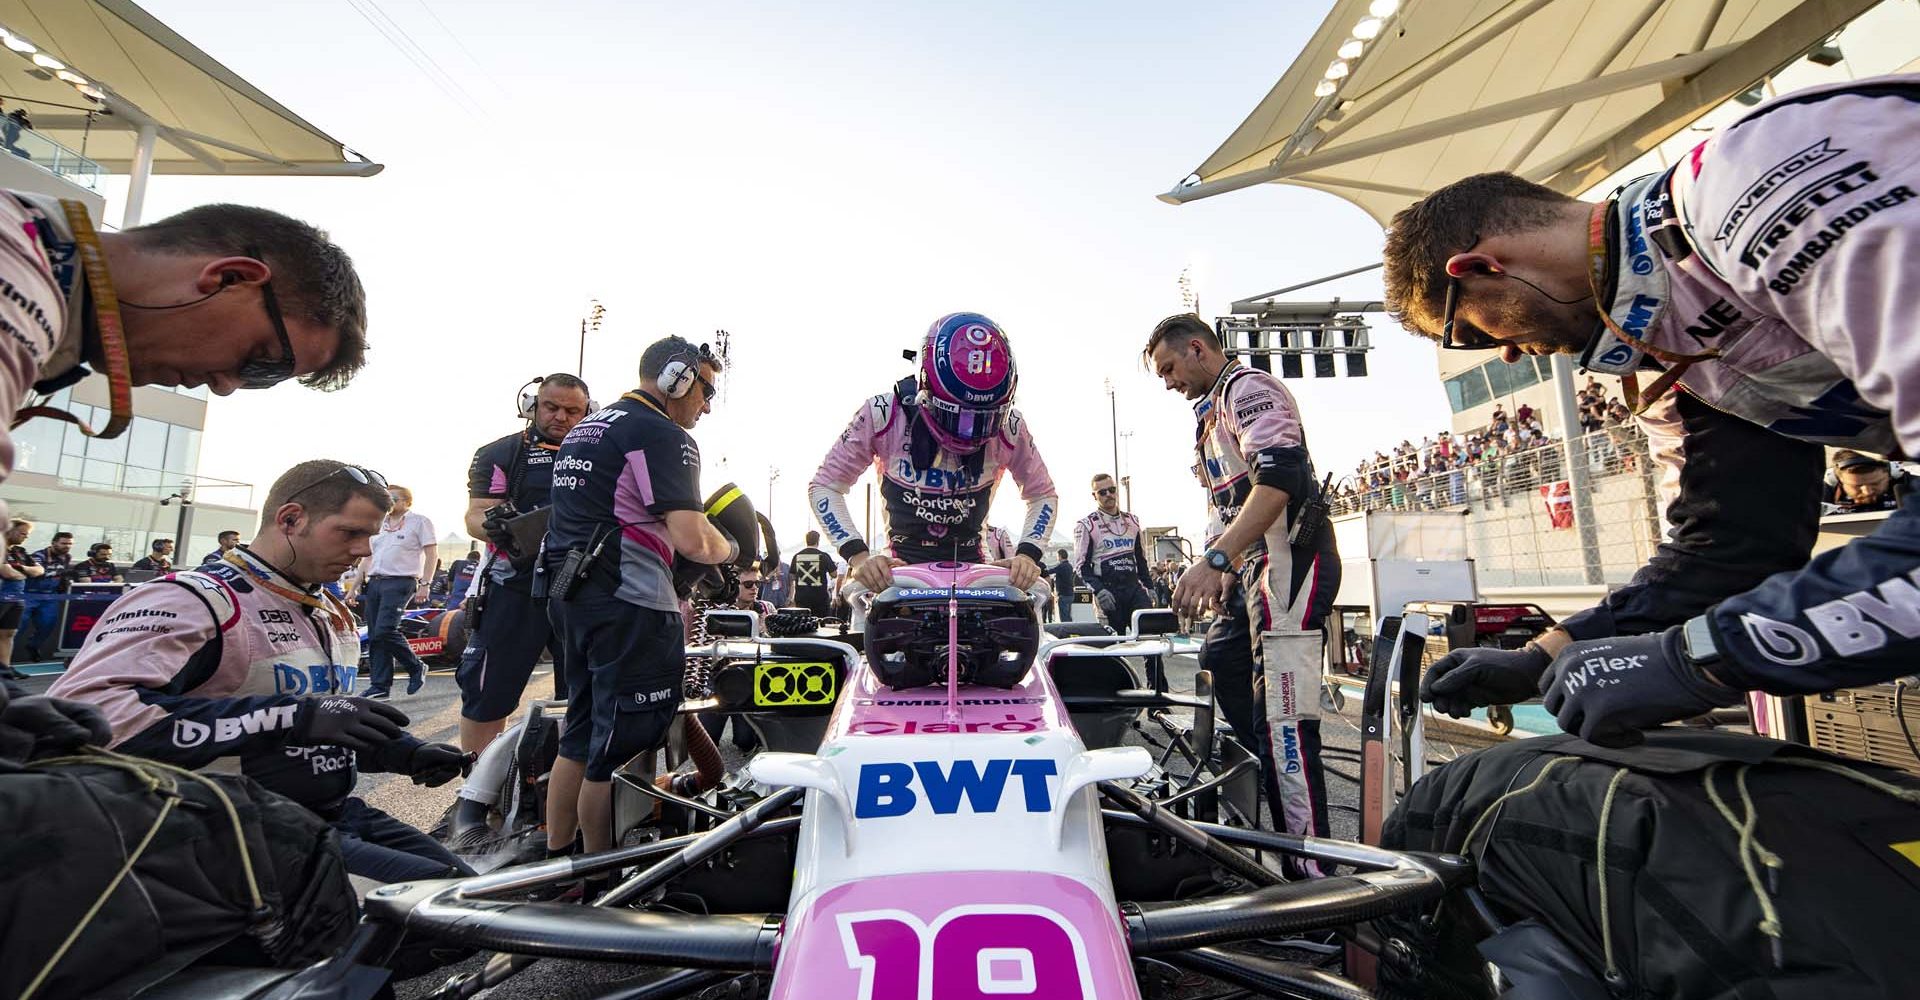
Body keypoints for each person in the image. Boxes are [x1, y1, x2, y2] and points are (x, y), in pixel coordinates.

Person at [1388, 75, 1920, 746]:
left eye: (1469, 336)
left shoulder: (1753, 186)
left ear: (1478, 267)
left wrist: (1703, 657)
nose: (1512, 357)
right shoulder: (1669, 354)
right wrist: (1544, 656)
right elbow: (1729, 549)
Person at [48, 459, 472, 883]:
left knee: (477, 898)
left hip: (327, 814)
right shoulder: (193, 600)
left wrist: (404, 753)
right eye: (350, 533)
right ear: (290, 519)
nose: (365, 551)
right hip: (222, 826)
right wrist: (290, 716)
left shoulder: (326, 608)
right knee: (439, 916)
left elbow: (315, 731)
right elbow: (92, 717)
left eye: (371, 536)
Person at [0, 200, 368, 529]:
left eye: (262, 380)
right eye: (262, 362)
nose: (226, 386)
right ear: (229, 277)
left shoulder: (38, 252)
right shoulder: (16, 276)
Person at [1145, 313, 1341, 869]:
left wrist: (1215, 560)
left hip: (1290, 566)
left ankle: (1312, 877)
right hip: (1254, 572)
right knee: (1221, 657)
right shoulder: (1207, 420)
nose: (1167, 383)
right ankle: (1276, 785)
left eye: (1168, 368)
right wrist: (1228, 573)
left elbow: (1279, 480)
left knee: (1283, 722)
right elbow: (1230, 506)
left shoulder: (1248, 388)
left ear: (1198, 350)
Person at [541, 336, 734, 868]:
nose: (707, 404)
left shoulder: (588, 427)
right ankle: (602, 874)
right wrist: (732, 547)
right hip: (629, 598)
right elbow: (694, 539)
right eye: (706, 390)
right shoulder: (661, 432)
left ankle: (560, 861)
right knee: (616, 748)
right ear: (679, 378)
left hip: (571, 594)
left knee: (578, 734)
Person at [809, 312, 1059, 599]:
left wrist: (1027, 555)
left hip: (975, 572)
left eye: (986, 418)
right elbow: (826, 485)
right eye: (960, 417)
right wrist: (859, 557)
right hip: (899, 573)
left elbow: (1042, 494)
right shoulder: (883, 413)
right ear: (925, 392)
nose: (970, 431)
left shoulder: (1012, 426)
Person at [456, 373, 592, 754]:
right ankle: (476, 788)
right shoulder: (499, 453)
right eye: (551, 407)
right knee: (487, 691)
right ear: (532, 406)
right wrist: (497, 527)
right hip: (513, 587)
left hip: (581, 589)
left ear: (587, 413)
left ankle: (566, 792)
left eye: (572, 410)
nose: (561, 417)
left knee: (583, 697)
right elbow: (474, 515)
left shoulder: (603, 456)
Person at [347, 485, 437, 699]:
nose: (389, 502)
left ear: (407, 501)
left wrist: (425, 583)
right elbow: (368, 558)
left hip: (400, 581)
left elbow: (432, 553)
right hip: (375, 581)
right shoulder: (380, 526)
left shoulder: (419, 521)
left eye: (393, 498)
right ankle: (380, 686)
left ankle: (416, 666)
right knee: (376, 635)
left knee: (386, 630)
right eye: (385, 498)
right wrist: (354, 587)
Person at [696, 563, 774, 752]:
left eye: (757, 584)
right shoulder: (718, 612)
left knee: (745, 742)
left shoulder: (766, 608)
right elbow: (703, 652)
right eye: (748, 584)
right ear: (733, 586)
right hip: (719, 679)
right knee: (705, 742)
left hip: (750, 681)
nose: (754, 588)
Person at [1073, 473, 1152, 633]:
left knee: (1150, 638)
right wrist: (1099, 590)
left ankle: (1153, 659)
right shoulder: (1087, 525)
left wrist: (1149, 587)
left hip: (1134, 588)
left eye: (1112, 490)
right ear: (1094, 496)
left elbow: (1141, 559)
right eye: (1102, 492)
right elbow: (1081, 567)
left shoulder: (1133, 521)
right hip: (1108, 591)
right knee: (1115, 644)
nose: (1108, 494)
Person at [17, 530, 72, 661]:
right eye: (63, 543)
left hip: (49, 597)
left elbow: (62, 573)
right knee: (18, 626)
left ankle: (33, 646)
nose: (67, 546)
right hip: (29, 595)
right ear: (53, 543)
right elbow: (36, 573)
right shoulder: (38, 556)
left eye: (70, 544)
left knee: (48, 624)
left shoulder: (67, 557)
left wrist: (64, 580)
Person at [0, 518, 42, 679]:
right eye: (22, 533)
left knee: (8, 633)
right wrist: (24, 574)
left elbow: (39, 570)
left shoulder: (20, 552)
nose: (25, 537)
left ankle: (5, 669)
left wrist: (21, 569)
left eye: (27, 534)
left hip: (16, 598)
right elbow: (7, 573)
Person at [1826, 450, 1912, 512]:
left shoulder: (1913, 487)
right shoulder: (1822, 494)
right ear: (1837, 480)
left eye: (1876, 483)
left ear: (1891, 474)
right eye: (1856, 486)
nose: (1868, 492)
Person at [787, 530, 839, 616]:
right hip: (819, 597)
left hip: (801, 596)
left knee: (803, 623)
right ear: (817, 541)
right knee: (820, 623)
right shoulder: (824, 556)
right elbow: (834, 574)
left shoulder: (797, 556)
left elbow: (792, 576)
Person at [1046, 547, 1076, 623]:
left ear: (1060, 556)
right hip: (1070, 594)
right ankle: (1071, 631)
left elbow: (1050, 571)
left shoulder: (1061, 566)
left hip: (1064, 595)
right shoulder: (1069, 566)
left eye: (1057, 555)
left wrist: (1041, 570)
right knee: (1068, 616)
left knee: (1064, 618)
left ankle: (1066, 633)